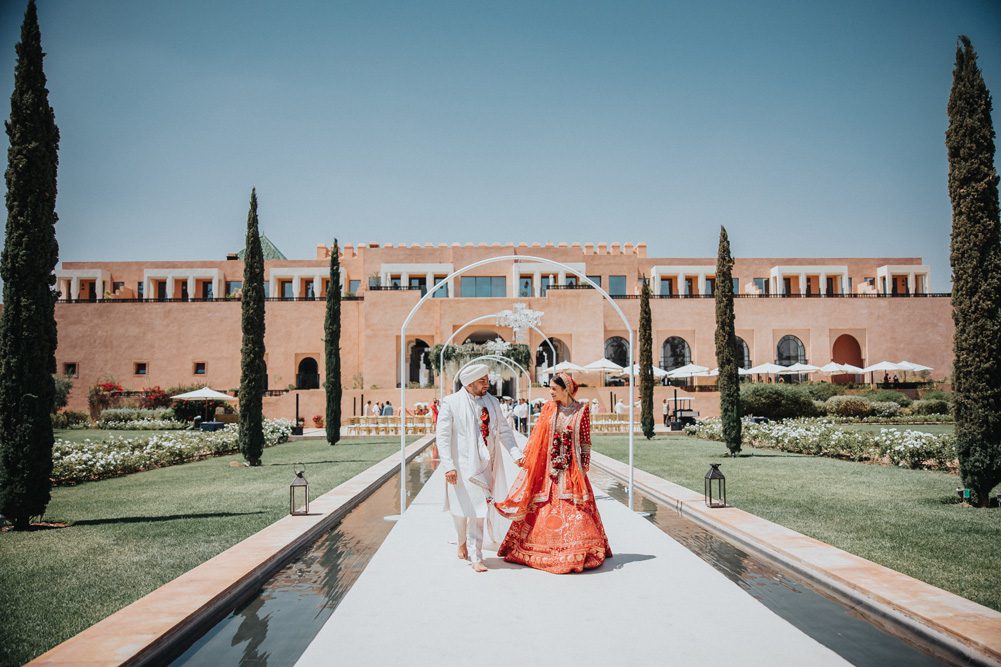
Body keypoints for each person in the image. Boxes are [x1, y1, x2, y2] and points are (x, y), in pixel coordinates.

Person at [495, 372, 611, 574]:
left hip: (572, 469)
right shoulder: (549, 409)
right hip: (548, 469)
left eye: (554, 389)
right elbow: (538, 437)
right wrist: (531, 460)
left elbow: (585, 441)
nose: (550, 392)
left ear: (566, 390)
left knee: (577, 510)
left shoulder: (581, 410)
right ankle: (542, 549)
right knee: (543, 508)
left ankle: (579, 549)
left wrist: (583, 468)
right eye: (549, 388)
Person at [436, 364, 523, 572]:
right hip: (461, 466)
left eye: (487, 380)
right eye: (482, 381)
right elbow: (443, 436)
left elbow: (504, 431)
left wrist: (516, 454)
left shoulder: (492, 402)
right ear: (470, 383)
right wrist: (448, 465)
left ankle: (476, 556)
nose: (487, 384)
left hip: (486, 466)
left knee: (479, 509)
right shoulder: (451, 403)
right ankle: (461, 540)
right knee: (460, 511)